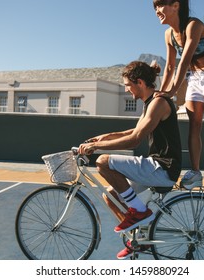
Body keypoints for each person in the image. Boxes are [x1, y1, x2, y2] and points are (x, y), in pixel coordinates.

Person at [79, 60, 182, 259]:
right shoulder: (150, 103)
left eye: (128, 85)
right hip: (156, 167)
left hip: (163, 168)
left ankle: (139, 212)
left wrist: (96, 147)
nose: (127, 90)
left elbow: (134, 140)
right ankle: (138, 239)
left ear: (140, 82)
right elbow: (133, 131)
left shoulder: (159, 103)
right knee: (110, 196)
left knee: (102, 162)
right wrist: (103, 137)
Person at [153, 0, 204, 192]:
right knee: (194, 125)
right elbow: (171, 66)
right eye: (154, 7)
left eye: (160, 5)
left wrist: (172, 92)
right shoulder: (168, 34)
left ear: (176, 5)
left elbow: (185, 60)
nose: (157, 11)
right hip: (195, 78)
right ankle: (195, 173)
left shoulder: (193, 25)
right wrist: (162, 94)